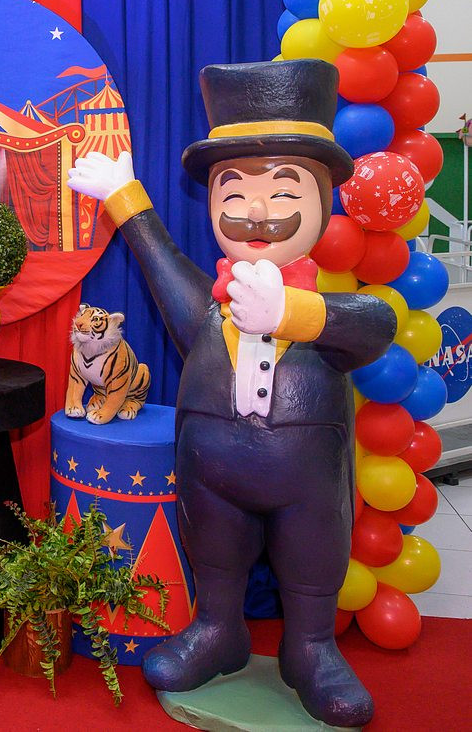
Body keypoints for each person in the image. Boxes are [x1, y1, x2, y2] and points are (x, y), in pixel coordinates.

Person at [68, 59, 395, 728]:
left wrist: (291, 313)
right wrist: (124, 196)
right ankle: (218, 629)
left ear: (322, 197)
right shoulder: (208, 310)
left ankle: (311, 647)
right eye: (234, 191)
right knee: (213, 556)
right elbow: (163, 265)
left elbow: (374, 324)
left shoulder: (326, 312)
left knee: (311, 563)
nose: (256, 212)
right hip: (211, 473)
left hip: (307, 482)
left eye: (282, 190)